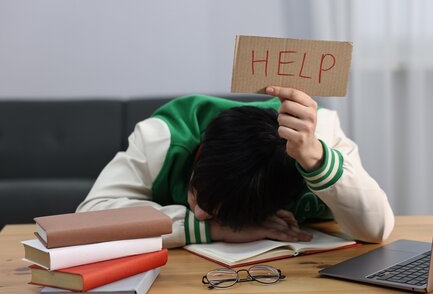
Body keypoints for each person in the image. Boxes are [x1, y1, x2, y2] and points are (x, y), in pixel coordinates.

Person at [76, 86, 395, 248]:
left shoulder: (318, 138)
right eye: (197, 191)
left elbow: (377, 228)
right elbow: (88, 218)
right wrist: (210, 228)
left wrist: (316, 159)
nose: (198, 211)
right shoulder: (163, 137)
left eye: (216, 212)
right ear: (198, 154)